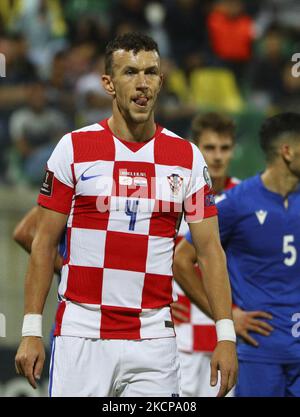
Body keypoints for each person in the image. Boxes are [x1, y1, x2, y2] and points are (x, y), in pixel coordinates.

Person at [15, 32, 238, 397]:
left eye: (151, 72)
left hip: (154, 340)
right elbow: (42, 243)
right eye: (130, 72)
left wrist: (225, 335)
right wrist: (29, 331)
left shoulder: (187, 159)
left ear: (161, 81)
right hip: (81, 334)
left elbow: (211, 250)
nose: (142, 83)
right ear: (108, 83)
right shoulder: (73, 148)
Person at [178, 112, 300, 397]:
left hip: (231, 340)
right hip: (186, 338)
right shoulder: (178, 197)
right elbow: (169, 260)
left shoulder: (238, 195)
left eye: (224, 148)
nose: (218, 157)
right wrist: (156, 300)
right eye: (210, 148)